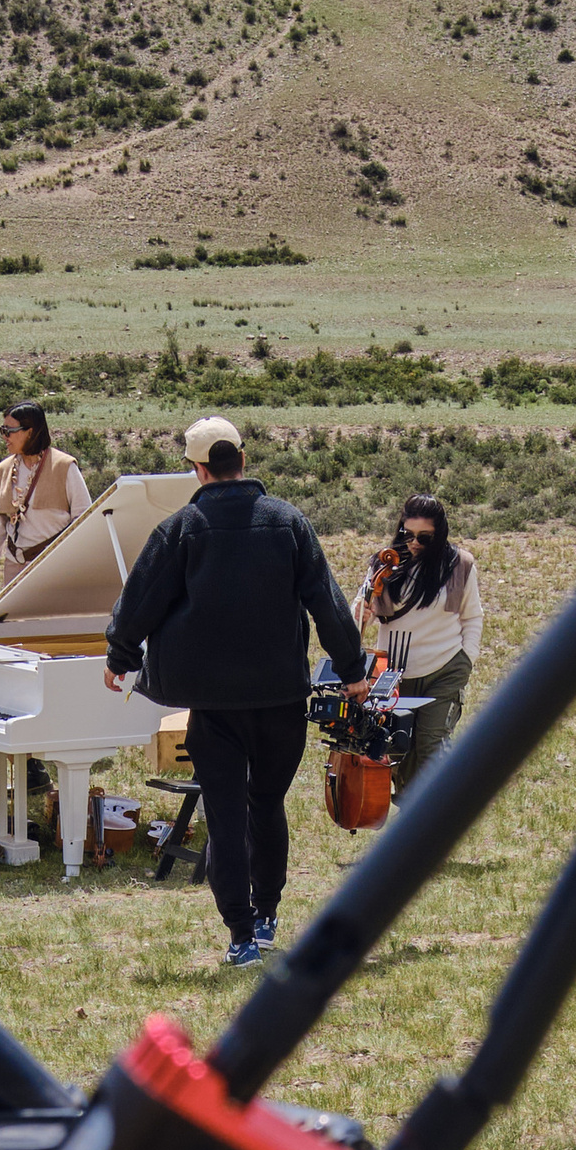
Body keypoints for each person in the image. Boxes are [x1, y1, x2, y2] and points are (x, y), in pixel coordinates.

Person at [106, 415, 366, 969]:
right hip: (280, 699)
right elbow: (327, 599)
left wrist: (120, 656)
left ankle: (241, 937)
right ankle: (268, 915)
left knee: (224, 816)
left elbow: (139, 601)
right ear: (242, 460)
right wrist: (353, 669)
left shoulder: (181, 528)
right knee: (266, 805)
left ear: (198, 470)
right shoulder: (288, 522)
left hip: (214, 707)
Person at [361, 493, 484, 791]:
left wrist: (467, 658)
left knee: (432, 747)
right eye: (408, 534)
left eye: (425, 537)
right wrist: (364, 611)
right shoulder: (384, 563)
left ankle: (440, 817)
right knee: (397, 751)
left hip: (444, 669)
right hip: (393, 675)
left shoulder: (460, 565)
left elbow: (472, 618)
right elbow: (360, 612)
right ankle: (413, 821)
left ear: (439, 535)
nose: (414, 543)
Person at [0, 400, 91, 599]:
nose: (5, 436)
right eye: (2, 430)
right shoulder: (3, 470)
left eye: (9, 430)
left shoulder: (64, 467)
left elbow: (84, 519)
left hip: (54, 568)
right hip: (15, 567)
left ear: (30, 431)